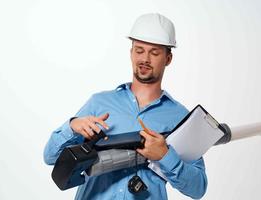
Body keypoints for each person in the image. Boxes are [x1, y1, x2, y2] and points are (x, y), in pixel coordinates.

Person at [44, 13, 207, 199]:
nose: (145, 59)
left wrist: (165, 156)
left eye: (154, 52)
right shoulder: (99, 103)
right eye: (139, 50)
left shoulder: (180, 118)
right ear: (131, 53)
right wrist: (72, 127)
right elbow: (50, 158)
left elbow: (198, 188)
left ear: (168, 58)